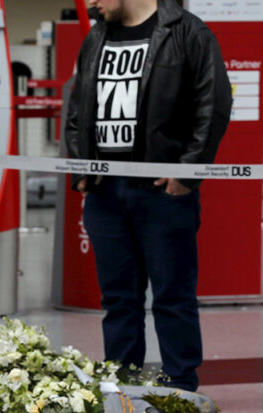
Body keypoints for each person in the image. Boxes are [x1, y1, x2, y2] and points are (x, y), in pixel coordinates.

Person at [65, 0, 232, 391]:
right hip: (106, 192)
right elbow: (77, 109)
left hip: (162, 193)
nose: (89, 3)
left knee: (173, 297)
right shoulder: (96, 36)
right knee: (118, 300)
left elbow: (214, 103)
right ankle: (122, 389)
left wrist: (188, 171)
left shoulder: (188, 32)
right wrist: (81, 168)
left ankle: (181, 390)